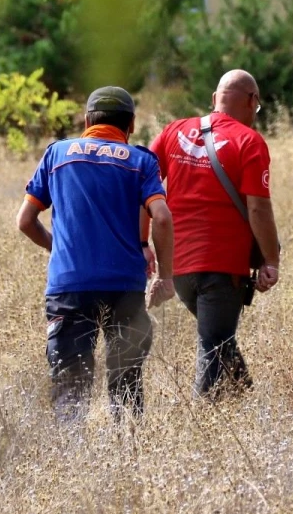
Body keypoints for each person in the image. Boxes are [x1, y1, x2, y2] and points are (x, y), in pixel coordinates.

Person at [16, 86, 175, 420]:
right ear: (130, 125)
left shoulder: (57, 154)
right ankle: (128, 453)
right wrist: (165, 275)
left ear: (87, 120)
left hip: (69, 285)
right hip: (125, 287)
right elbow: (161, 216)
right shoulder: (141, 161)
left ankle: (71, 461)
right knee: (126, 382)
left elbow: (26, 221)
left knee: (70, 386)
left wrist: (56, 248)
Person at [144, 69, 281, 399]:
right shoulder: (249, 141)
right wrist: (272, 260)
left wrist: (142, 244)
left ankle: (244, 402)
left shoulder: (173, 130)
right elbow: (258, 209)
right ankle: (201, 427)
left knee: (219, 341)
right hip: (221, 267)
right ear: (252, 101)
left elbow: (142, 183)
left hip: (177, 268)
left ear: (214, 100)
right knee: (215, 343)